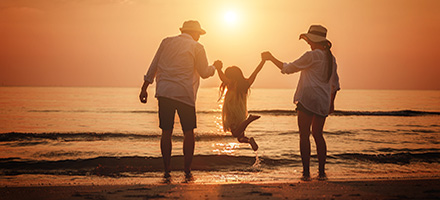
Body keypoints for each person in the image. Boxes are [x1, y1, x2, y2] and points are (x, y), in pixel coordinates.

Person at [139, 20, 217, 178]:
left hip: (165, 92)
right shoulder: (197, 47)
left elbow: (153, 65)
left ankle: (167, 169)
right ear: (194, 33)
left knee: (166, 132)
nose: (199, 37)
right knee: (188, 132)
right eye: (199, 34)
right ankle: (187, 170)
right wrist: (215, 68)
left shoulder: (166, 42)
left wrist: (144, 88)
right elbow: (203, 72)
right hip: (184, 94)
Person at [262, 25, 340, 180]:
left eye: (310, 41)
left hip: (307, 98)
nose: (309, 44)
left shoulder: (311, 55)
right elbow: (335, 84)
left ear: (315, 41)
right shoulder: (331, 58)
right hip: (322, 100)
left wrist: (271, 58)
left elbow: (289, 68)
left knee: (304, 135)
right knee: (318, 135)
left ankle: (306, 172)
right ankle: (322, 171)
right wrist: (331, 104)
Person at [214, 57, 266, 151]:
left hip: (232, 112)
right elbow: (255, 72)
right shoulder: (246, 83)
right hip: (240, 113)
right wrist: (262, 61)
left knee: (235, 133)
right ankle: (250, 141)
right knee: (240, 138)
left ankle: (249, 120)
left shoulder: (231, 83)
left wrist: (218, 69)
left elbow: (222, 77)